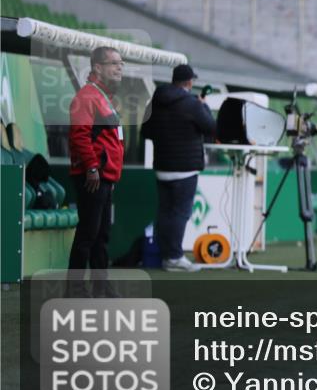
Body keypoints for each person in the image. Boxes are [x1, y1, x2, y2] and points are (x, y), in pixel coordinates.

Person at [141, 64, 216, 272]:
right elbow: (211, 127)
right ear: (189, 82)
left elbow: (145, 131)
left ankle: (165, 255)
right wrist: (204, 106)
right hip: (185, 168)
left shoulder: (156, 101)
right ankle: (174, 257)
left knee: (165, 212)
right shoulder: (192, 104)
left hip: (162, 166)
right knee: (180, 213)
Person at [67, 46, 125, 296]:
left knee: (101, 235)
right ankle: (76, 289)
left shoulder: (102, 96)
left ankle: (101, 287)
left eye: (120, 63)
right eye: (113, 63)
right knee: (88, 235)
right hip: (93, 177)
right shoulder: (87, 96)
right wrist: (92, 167)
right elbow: (79, 136)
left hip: (105, 177)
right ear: (97, 68)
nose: (119, 68)